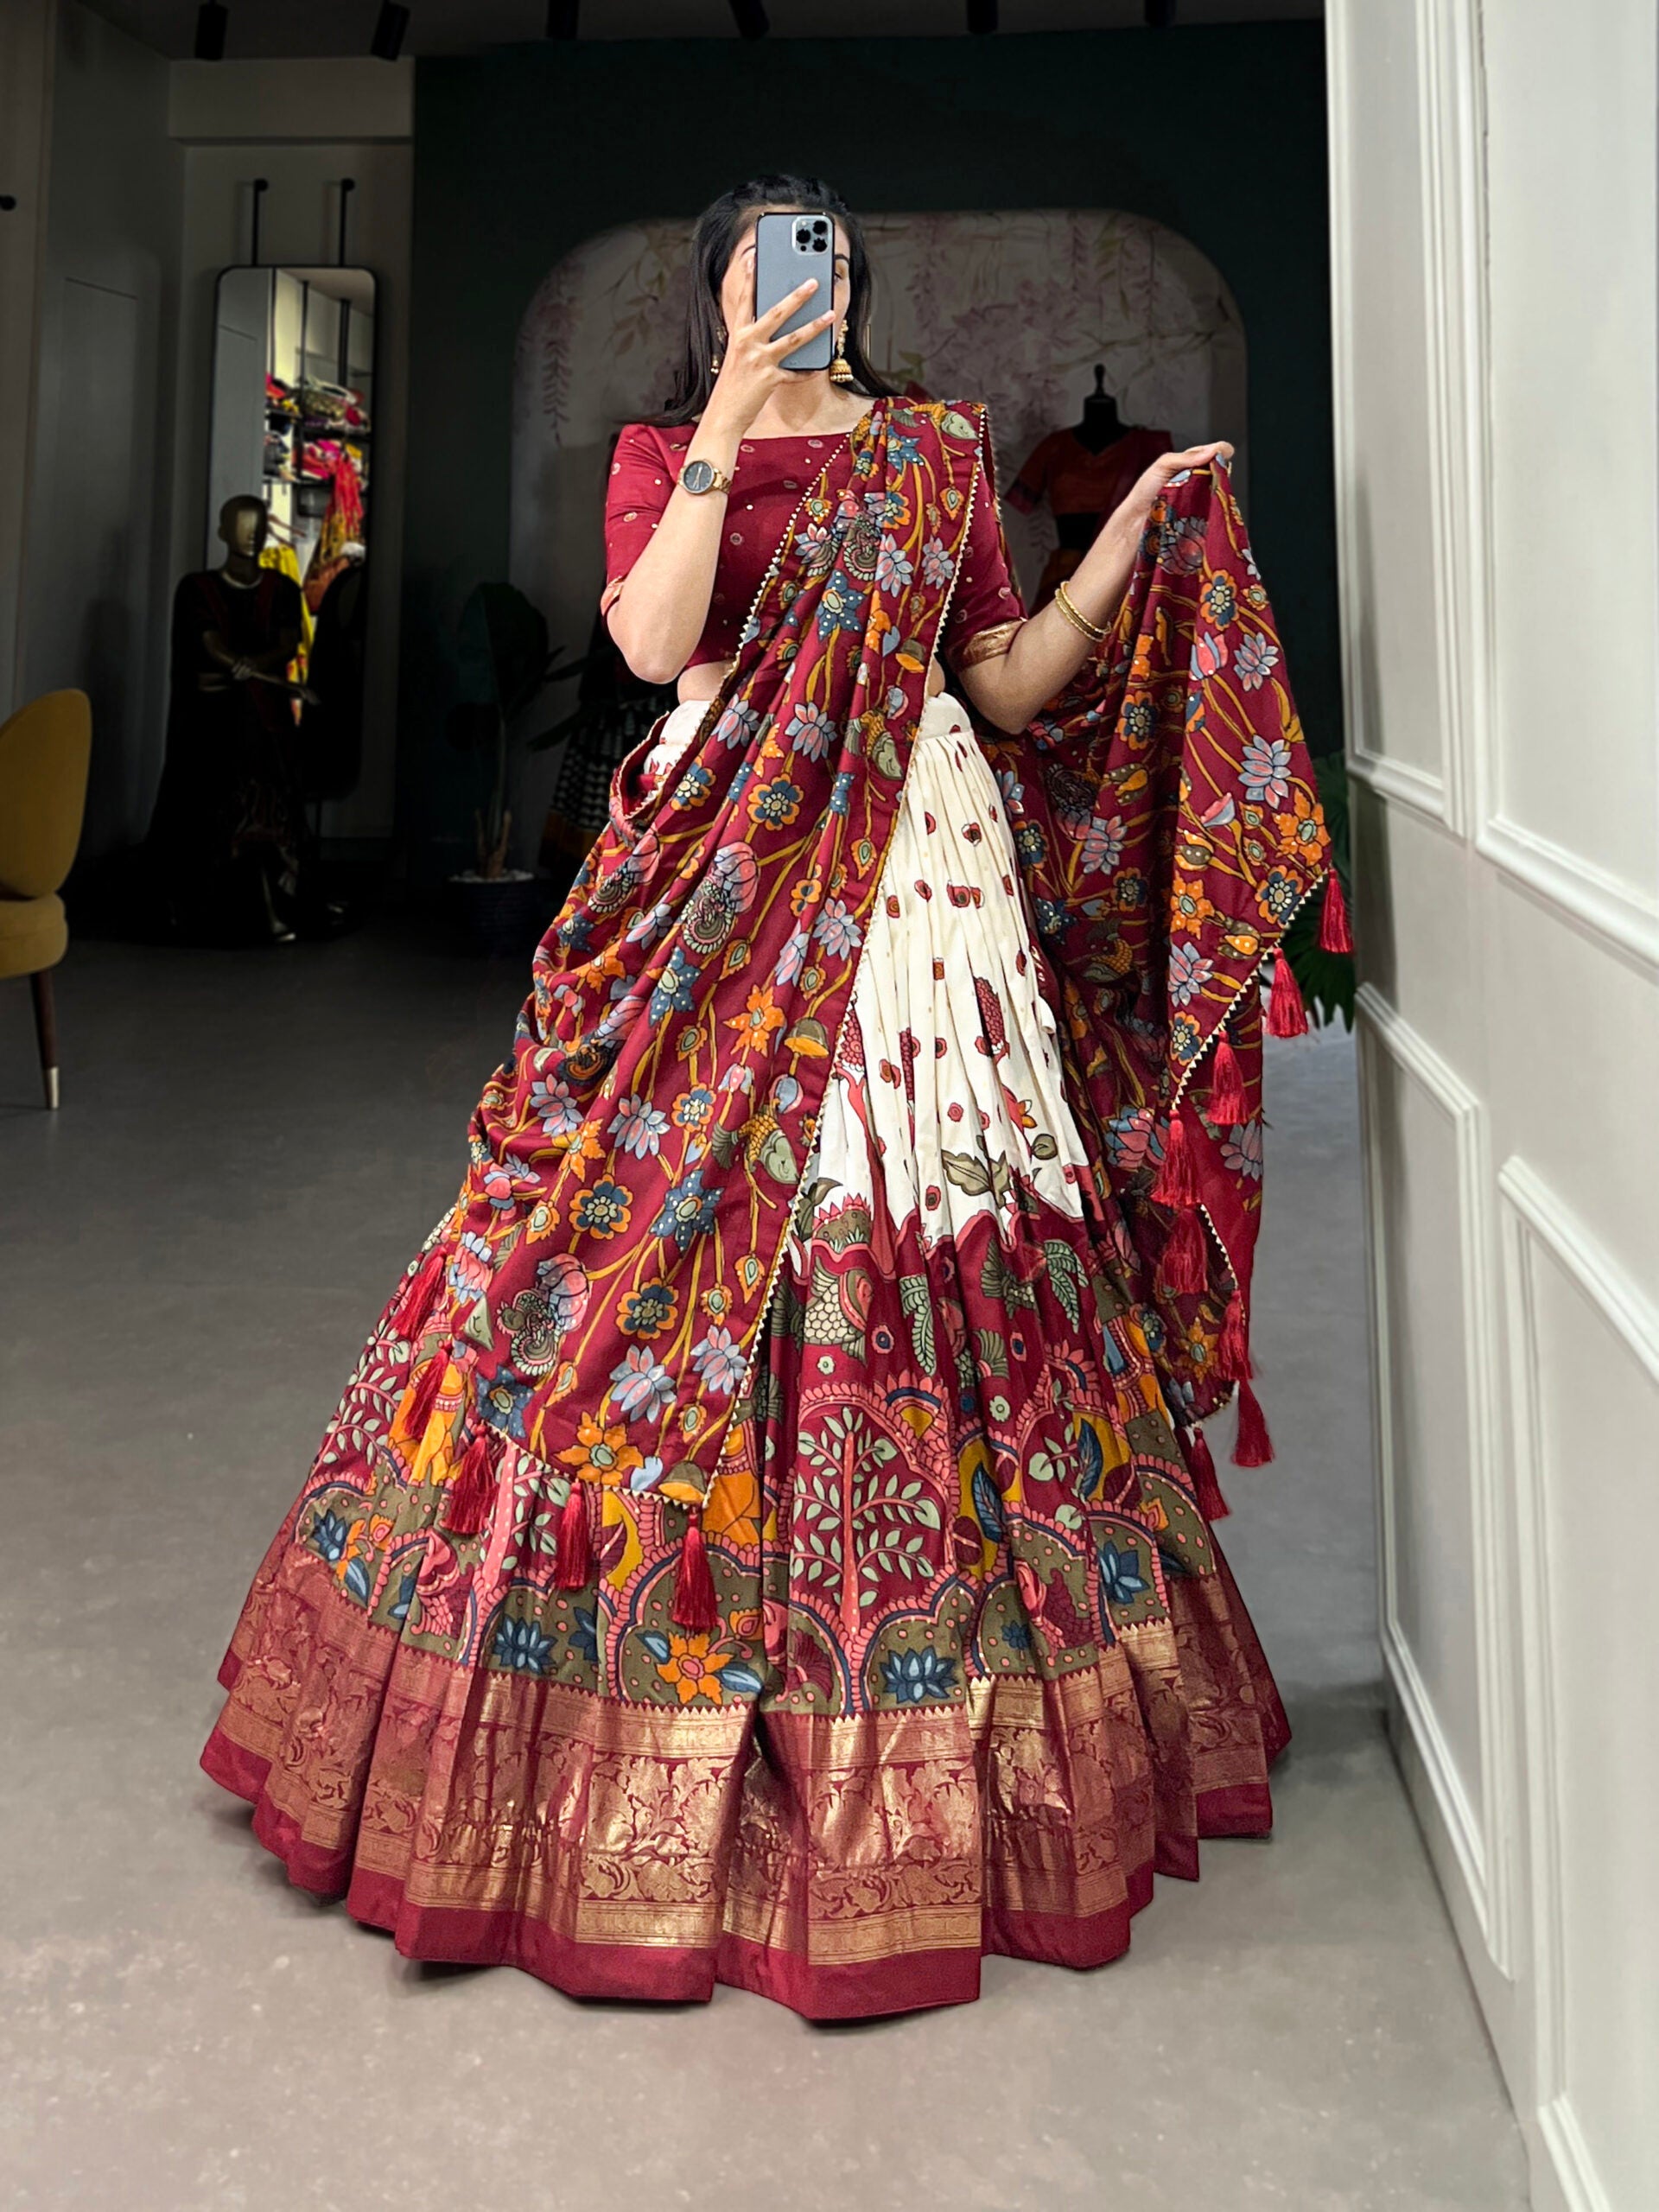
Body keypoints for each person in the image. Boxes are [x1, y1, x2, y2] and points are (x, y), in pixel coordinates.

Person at [201, 176, 1336, 2018]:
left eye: (815, 267)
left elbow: (1006, 676)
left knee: (928, 1251)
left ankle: (952, 1742)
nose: (792, 290)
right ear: (719, 297)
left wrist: (1115, 541)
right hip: (719, 892)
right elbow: (653, 654)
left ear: (856, 287)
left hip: (923, 899)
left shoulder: (938, 457)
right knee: (631, 1255)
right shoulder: (668, 448)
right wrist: (728, 420)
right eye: (757, 271)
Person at [147, 495, 311, 944]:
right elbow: (205, 642)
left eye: (257, 525)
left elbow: (287, 642)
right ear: (222, 531)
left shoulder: (281, 589)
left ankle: (279, 900)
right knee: (206, 801)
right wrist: (232, 662)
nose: (251, 534)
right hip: (212, 727)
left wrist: (251, 664)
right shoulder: (197, 589)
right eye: (240, 525)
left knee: (270, 799)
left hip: (265, 727)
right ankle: (199, 908)